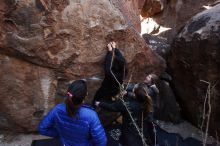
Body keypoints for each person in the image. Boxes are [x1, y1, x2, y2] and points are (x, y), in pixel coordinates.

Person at [38, 80, 107, 146]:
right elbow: (101, 142)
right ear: (86, 95)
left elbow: (42, 128)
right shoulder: (91, 115)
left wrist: (61, 134)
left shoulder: (57, 109)